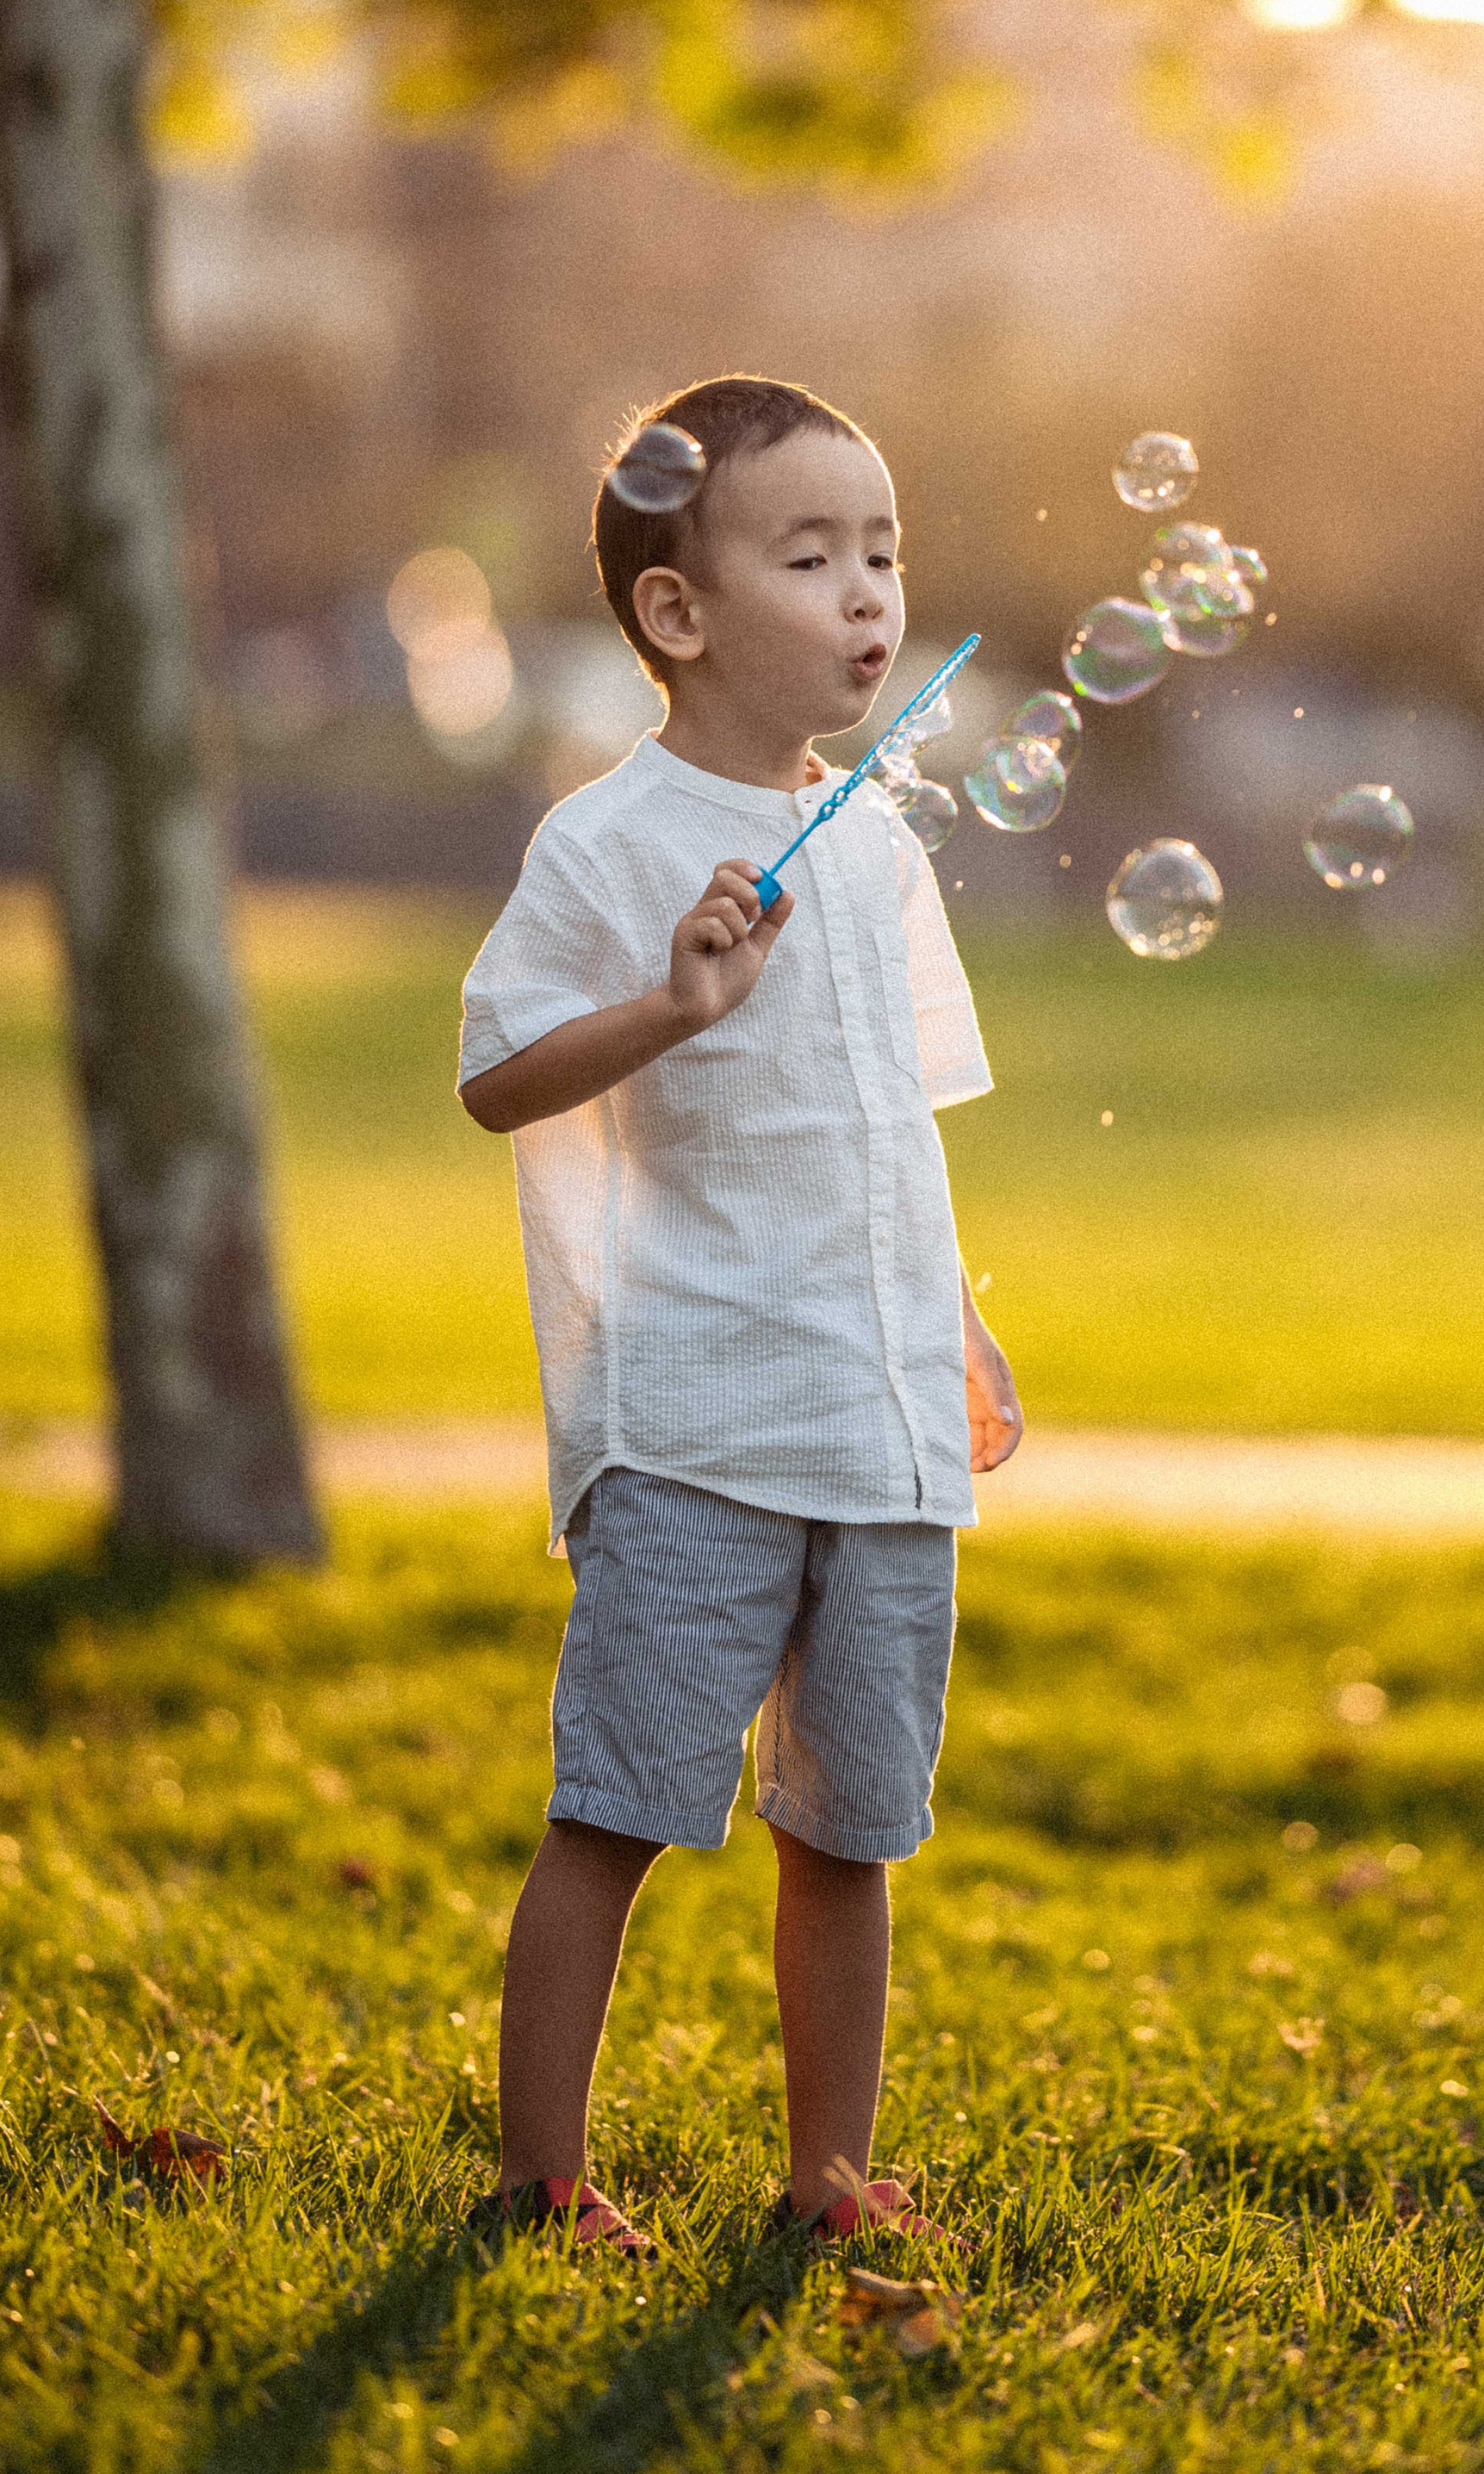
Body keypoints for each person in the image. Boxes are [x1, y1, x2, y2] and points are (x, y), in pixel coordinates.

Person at [456, 373, 1022, 2262]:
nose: (868, 595)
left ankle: (827, 2178)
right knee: (615, 1812)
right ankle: (541, 2179)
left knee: (849, 1831)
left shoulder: (878, 843)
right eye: (811, 554)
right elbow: (498, 1078)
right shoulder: (609, 846)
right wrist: (672, 1012)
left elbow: (884, 1129)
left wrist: (955, 1324)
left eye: (883, 551)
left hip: (873, 1429)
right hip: (693, 1423)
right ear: (677, 616)